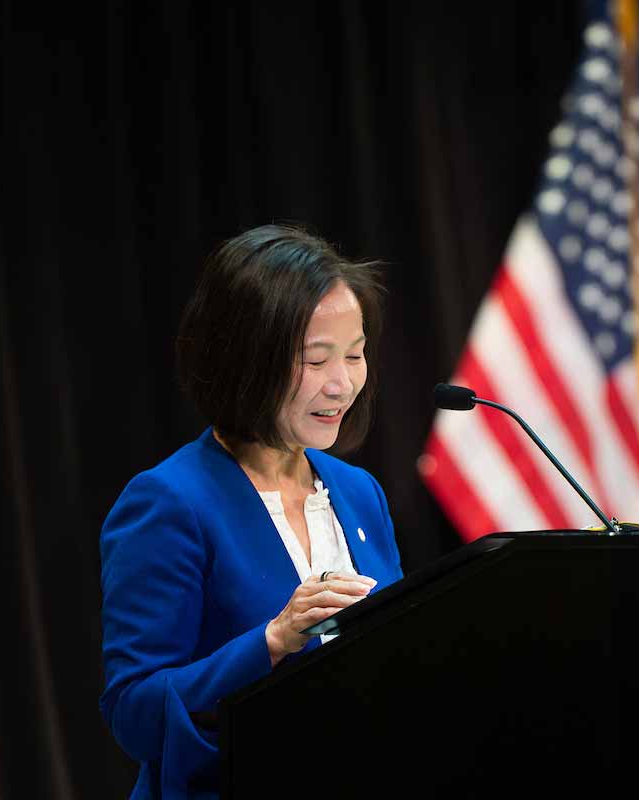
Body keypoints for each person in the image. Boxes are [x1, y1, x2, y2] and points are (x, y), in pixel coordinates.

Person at [98, 224, 403, 798]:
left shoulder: (359, 493)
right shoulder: (168, 503)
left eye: (355, 355)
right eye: (316, 361)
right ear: (245, 360)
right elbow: (135, 714)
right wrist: (272, 641)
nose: (343, 384)